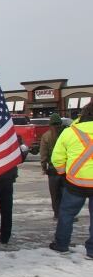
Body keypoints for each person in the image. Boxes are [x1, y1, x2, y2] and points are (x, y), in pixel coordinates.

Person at [49, 103, 93, 259]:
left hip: (76, 182)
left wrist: (62, 173)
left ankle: (61, 245)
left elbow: (57, 158)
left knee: (66, 214)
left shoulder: (70, 132)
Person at [40, 113, 65, 219]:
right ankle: (66, 214)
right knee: (65, 194)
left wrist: (43, 167)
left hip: (52, 169)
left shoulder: (46, 136)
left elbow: (43, 154)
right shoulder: (65, 134)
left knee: (55, 194)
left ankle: (57, 213)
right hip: (65, 169)